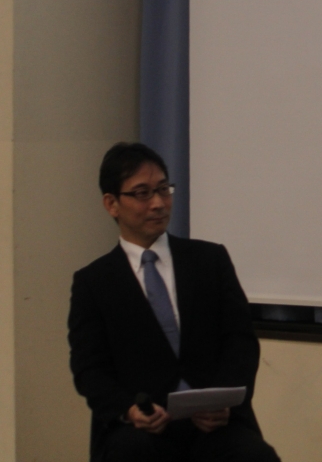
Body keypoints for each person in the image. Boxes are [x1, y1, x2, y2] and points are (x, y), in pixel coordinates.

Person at [67, 143, 280, 462]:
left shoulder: (209, 260)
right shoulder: (94, 282)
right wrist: (128, 410)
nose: (158, 203)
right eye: (142, 193)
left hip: (213, 425)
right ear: (112, 204)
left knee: (254, 456)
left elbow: (240, 340)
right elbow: (89, 369)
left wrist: (223, 400)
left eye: (163, 189)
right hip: (139, 430)